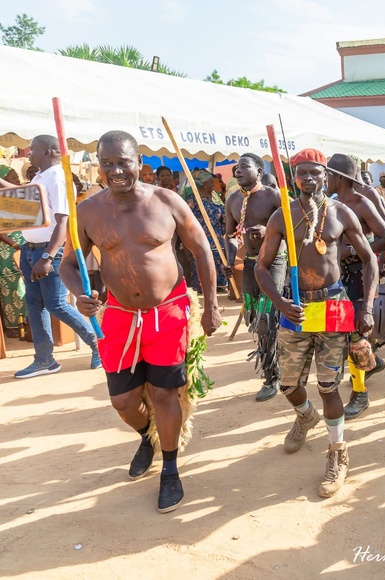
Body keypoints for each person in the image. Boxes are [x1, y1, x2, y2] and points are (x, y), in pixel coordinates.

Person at [61, 130, 221, 513]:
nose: (116, 170)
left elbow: (201, 250)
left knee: (165, 394)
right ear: (99, 165)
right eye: (107, 163)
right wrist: (80, 294)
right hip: (118, 315)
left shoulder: (166, 200)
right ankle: (148, 437)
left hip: (168, 312)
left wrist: (213, 303)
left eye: (123, 162)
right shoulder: (88, 211)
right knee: (123, 399)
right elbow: (70, 264)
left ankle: (169, 468)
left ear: (139, 164)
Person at [255, 147, 377, 498]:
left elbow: (369, 260)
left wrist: (365, 307)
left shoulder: (340, 213)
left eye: (315, 173)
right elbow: (261, 267)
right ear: (293, 178)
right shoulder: (282, 216)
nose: (309, 179)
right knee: (289, 384)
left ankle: (338, 452)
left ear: (326, 175)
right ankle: (305, 416)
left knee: (328, 387)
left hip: (334, 307)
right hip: (296, 309)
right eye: (302, 173)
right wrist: (280, 302)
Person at [10, 135, 101, 379]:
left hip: (48, 251)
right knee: (34, 303)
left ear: (49, 151)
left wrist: (48, 256)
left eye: (33, 149)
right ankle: (44, 360)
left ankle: (97, 344)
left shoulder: (58, 178)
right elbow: (22, 198)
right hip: (32, 250)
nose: (28, 153)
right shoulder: (41, 176)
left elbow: (64, 220)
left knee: (57, 304)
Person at [325, 153, 385, 419]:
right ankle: (372, 363)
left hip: (358, 276)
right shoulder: (331, 204)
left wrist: (353, 252)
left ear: (339, 177)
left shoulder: (361, 203)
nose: (324, 181)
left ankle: (359, 394)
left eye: (328, 175)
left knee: (354, 337)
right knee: (345, 337)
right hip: (337, 278)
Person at [224, 153, 283, 402]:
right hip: (248, 263)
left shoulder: (274, 196)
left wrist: (268, 231)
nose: (237, 171)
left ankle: (273, 376)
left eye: (244, 167)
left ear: (259, 171)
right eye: (236, 167)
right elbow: (229, 235)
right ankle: (273, 357)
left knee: (267, 316)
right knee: (252, 315)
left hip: (273, 262)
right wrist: (230, 262)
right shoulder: (233, 200)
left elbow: (294, 230)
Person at [184, 172, 228, 293]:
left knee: (218, 274)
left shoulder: (215, 197)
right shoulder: (193, 200)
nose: (213, 186)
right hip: (201, 241)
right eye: (210, 184)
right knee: (203, 270)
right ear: (204, 185)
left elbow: (223, 216)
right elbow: (186, 222)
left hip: (218, 241)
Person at [0, 166, 28, 337]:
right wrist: (15, 246)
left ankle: (26, 323)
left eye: (17, 177)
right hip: (7, 251)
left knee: (25, 286)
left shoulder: (18, 198)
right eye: (12, 178)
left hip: (24, 246)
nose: (17, 181)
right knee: (11, 287)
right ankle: (12, 326)